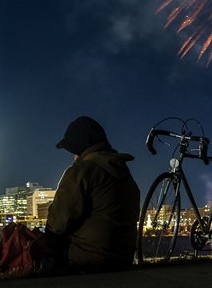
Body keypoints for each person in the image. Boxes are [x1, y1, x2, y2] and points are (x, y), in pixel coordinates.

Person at [44, 115, 141, 273]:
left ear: (78, 150)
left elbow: (57, 224)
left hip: (88, 261)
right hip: (123, 260)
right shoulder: (123, 171)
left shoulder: (83, 170)